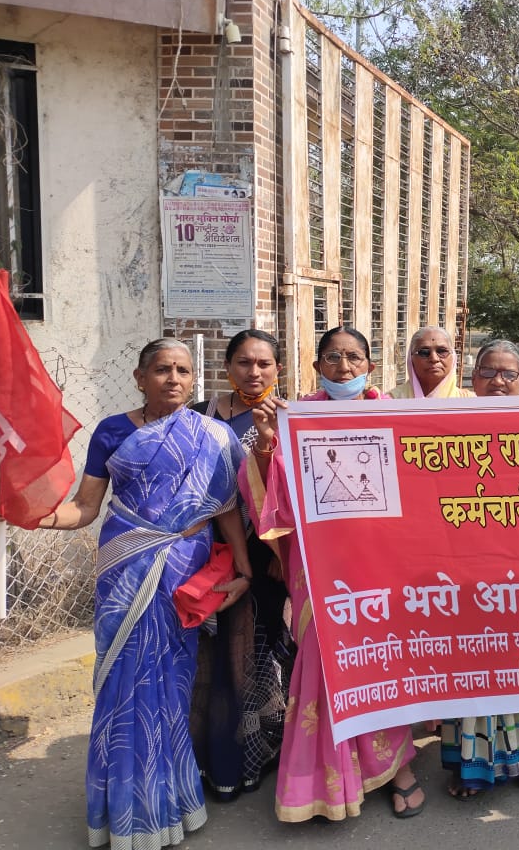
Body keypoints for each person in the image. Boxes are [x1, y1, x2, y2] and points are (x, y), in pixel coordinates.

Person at [36, 338, 251, 849]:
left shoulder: (214, 435)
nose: (173, 378)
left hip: (183, 571)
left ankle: (168, 801)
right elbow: (85, 508)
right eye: (161, 369)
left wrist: (243, 570)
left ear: (194, 380)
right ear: (140, 378)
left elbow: (225, 509)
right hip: (125, 569)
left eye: (182, 370)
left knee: (172, 684)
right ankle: (124, 808)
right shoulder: (112, 431)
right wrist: (36, 515)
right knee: (120, 683)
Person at [243, 326, 425, 822]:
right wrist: (266, 442)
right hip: (319, 563)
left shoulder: (394, 414)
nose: (343, 368)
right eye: (332, 358)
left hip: (382, 563)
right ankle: (324, 776)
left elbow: (422, 482)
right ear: (317, 365)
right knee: (325, 659)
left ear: (370, 365)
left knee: (378, 661)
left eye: (353, 358)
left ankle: (395, 767)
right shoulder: (296, 416)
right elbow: (270, 487)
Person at [440, 339, 519, 801]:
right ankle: (469, 764)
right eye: (488, 372)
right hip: (460, 569)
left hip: (518, 574)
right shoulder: (444, 427)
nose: (498, 381)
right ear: (473, 378)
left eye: (509, 374)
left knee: (516, 667)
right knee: (467, 664)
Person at [188, 329, 292, 801]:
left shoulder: (290, 418)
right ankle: (210, 759)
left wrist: (282, 554)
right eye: (244, 363)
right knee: (208, 657)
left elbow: (297, 494)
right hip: (206, 554)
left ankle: (256, 754)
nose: (254, 372)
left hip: (264, 554)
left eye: (264, 363)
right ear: (227, 366)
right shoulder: (198, 417)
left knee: (255, 653)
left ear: (277, 369)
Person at [388, 325, 474, 399]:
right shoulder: (390, 401)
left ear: (453, 358)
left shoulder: (470, 402)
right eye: (424, 352)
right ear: (411, 359)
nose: (434, 358)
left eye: (442, 351)